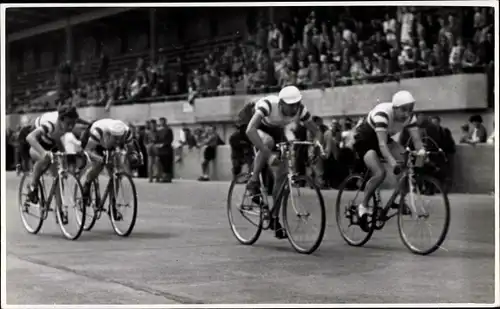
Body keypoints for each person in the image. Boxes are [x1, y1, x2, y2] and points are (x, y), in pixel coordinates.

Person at [245, 85, 324, 239]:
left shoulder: (300, 110)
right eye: (291, 106)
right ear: (281, 103)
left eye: (297, 104)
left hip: (275, 128)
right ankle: (253, 181)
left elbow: (317, 132)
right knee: (267, 142)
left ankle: (274, 218)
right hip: (251, 123)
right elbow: (250, 130)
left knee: (282, 174)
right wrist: (268, 156)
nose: (295, 109)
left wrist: (316, 147)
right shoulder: (268, 105)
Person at [352, 90, 426, 224]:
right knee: (380, 173)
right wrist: (392, 163)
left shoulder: (410, 117)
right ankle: (363, 205)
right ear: (394, 108)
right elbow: (381, 144)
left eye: (410, 110)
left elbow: (416, 140)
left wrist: (421, 151)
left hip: (384, 139)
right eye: (403, 110)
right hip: (366, 140)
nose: (406, 114)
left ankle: (399, 200)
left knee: (405, 160)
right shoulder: (382, 114)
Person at [80, 118, 141, 217]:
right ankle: (87, 183)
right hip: (95, 143)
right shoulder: (98, 132)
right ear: (109, 133)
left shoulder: (127, 133)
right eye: (115, 138)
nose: (118, 141)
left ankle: (113, 206)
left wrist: (134, 156)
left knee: (114, 173)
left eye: (120, 138)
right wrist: (99, 158)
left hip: (108, 144)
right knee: (99, 165)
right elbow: (88, 150)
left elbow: (131, 150)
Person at [25, 105, 80, 210]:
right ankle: (33, 187)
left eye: (73, 124)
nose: (71, 127)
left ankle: (59, 210)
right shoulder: (50, 125)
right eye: (68, 124)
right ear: (60, 120)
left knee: (57, 176)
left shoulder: (66, 122)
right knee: (45, 159)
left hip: (50, 142)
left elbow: (58, 140)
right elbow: (30, 138)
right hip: (35, 143)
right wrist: (43, 152)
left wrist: (65, 158)